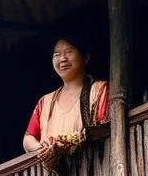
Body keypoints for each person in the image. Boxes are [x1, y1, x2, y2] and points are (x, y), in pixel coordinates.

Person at [22, 36, 108, 167]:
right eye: (57, 54)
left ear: (85, 58)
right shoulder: (45, 102)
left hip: (91, 170)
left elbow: (105, 128)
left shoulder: (99, 90)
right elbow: (28, 139)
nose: (62, 59)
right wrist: (42, 148)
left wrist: (66, 143)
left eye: (69, 52)